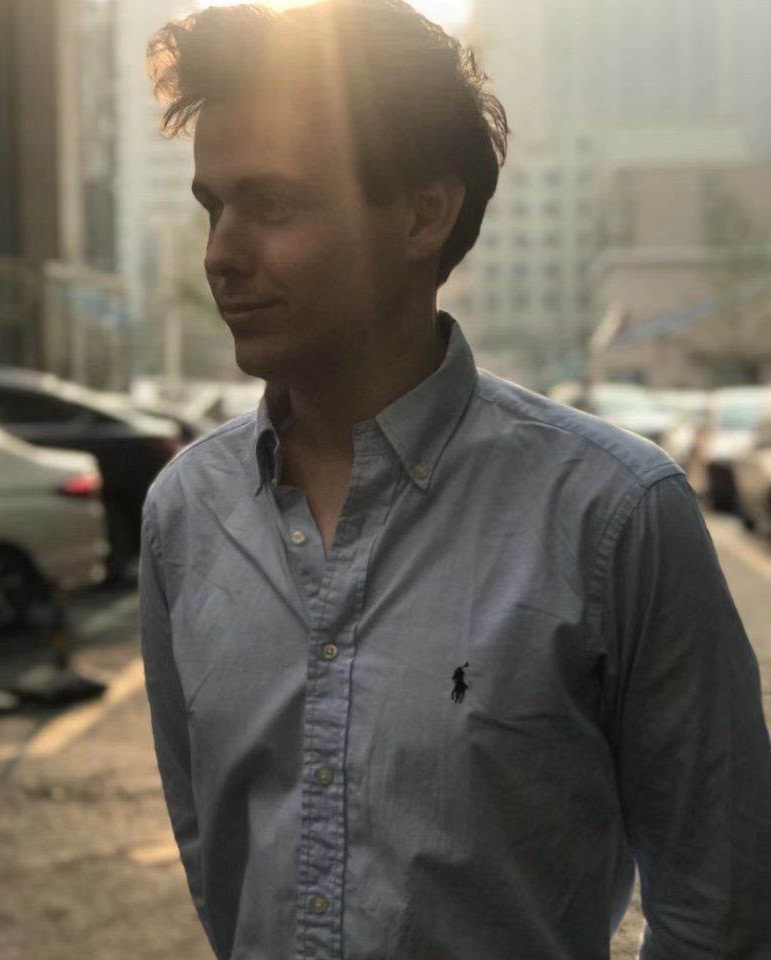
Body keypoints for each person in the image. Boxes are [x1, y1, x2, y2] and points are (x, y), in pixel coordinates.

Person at [139, 2, 771, 957]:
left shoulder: (612, 516)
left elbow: (720, 909)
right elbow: (214, 854)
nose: (221, 254)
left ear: (422, 213)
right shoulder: (184, 513)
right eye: (213, 207)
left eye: (272, 207)